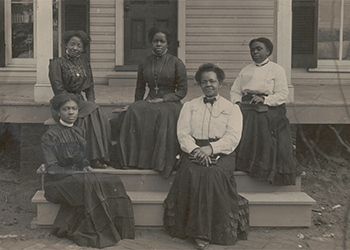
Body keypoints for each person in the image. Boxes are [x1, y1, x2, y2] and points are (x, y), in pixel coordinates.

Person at [163, 63, 249, 250]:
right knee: (191, 172)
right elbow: (183, 134)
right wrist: (195, 150)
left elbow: (233, 138)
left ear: (220, 83)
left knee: (211, 176)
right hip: (193, 150)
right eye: (204, 82)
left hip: (222, 152)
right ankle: (188, 229)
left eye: (212, 81)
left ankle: (204, 234)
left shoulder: (232, 108)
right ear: (199, 85)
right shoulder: (189, 106)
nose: (208, 85)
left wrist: (210, 149)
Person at [41, 93, 135, 248]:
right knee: (88, 183)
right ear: (58, 112)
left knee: (112, 180)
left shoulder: (79, 131)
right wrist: (76, 171)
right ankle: (99, 231)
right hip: (57, 182)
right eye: (66, 109)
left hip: (77, 177)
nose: (71, 112)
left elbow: (82, 158)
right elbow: (52, 168)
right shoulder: (50, 135)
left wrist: (85, 165)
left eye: (74, 109)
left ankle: (119, 229)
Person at [230, 37, 303, 186]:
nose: (255, 52)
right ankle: (242, 163)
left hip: (271, 107)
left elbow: (283, 94)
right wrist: (237, 103)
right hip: (247, 105)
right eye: (252, 49)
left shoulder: (277, 69)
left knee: (258, 120)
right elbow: (235, 90)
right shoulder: (246, 70)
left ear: (268, 51)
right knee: (237, 119)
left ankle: (260, 166)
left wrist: (265, 100)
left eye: (259, 49)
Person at [119, 26, 188, 178]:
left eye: (162, 41)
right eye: (155, 41)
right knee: (134, 111)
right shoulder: (144, 62)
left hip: (170, 102)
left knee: (163, 113)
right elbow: (140, 87)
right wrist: (135, 104)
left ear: (167, 44)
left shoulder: (177, 63)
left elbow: (182, 91)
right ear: (151, 43)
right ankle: (136, 160)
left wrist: (164, 99)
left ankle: (160, 162)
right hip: (150, 99)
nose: (158, 44)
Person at [49, 30, 111, 169]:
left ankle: (94, 157)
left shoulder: (84, 63)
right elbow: (58, 89)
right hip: (62, 103)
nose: (75, 48)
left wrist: (91, 103)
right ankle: (89, 158)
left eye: (79, 45)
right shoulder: (56, 63)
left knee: (96, 111)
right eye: (72, 44)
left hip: (80, 101)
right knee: (89, 113)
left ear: (83, 49)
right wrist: (76, 105)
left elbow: (90, 88)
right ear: (66, 45)